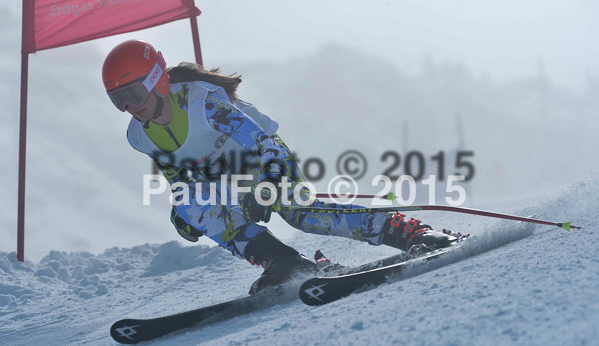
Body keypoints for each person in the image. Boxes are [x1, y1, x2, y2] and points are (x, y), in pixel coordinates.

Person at [102, 39, 459, 294]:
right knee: (190, 206)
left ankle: (408, 232)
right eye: (119, 99)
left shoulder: (203, 104)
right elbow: (177, 176)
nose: (129, 107)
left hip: (265, 159)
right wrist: (183, 210)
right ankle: (283, 263)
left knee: (300, 214)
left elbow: (265, 144)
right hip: (225, 176)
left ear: (156, 80)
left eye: (132, 94)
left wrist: (268, 184)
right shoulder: (139, 136)